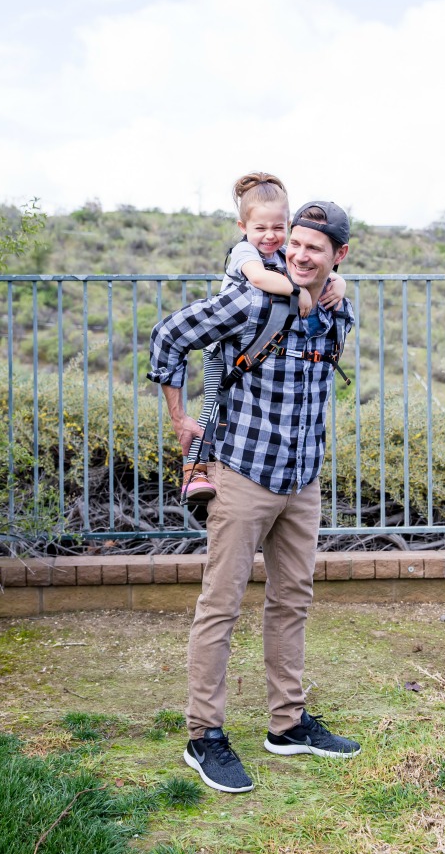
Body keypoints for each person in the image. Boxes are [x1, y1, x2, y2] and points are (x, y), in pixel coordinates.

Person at [149, 198, 361, 794]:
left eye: (314, 248)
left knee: (292, 600)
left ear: (338, 256)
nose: (297, 253)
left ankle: (287, 725)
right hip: (242, 474)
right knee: (221, 604)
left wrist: (334, 290)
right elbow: (169, 336)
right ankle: (203, 736)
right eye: (293, 243)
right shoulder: (250, 298)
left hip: (302, 478)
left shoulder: (340, 306)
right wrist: (180, 419)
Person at [182, 173, 346, 504]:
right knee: (214, 403)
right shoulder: (245, 253)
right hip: (223, 343)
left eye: (278, 228)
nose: (270, 236)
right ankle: (193, 469)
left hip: (251, 339)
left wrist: (339, 283)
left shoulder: (281, 251)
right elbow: (259, 278)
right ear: (243, 227)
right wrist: (294, 288)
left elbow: (313, 265)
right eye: (260, 229)